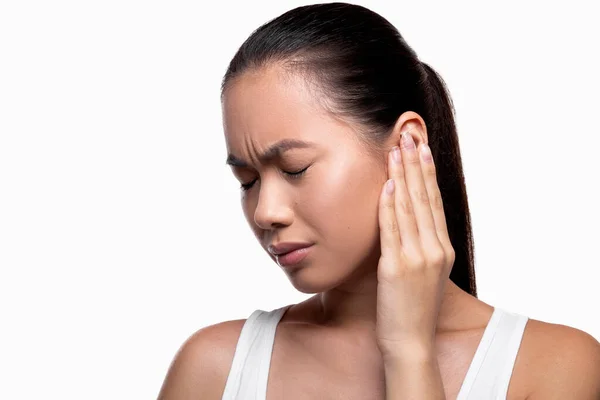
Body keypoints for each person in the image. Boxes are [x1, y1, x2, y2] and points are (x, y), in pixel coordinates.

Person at [157, 3, 600, 399]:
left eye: (295, 168)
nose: (265, 212)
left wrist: (409, 351)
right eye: (247, 180)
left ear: (406, 145)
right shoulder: (211, 370)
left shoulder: (555, 367)